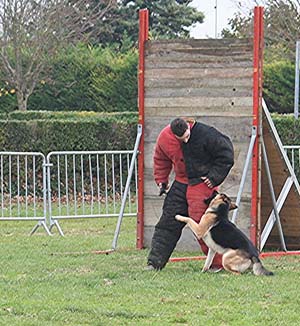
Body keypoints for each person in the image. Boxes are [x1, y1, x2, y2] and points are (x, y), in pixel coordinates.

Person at [146, 117, 234, 271]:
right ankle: (155, 263)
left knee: (207, 225)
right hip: (180, 183)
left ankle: (224, 263)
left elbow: (226, 154)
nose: (186, 141)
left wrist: (214, 177)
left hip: (202, 184)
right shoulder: (165, 138)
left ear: (189, 126)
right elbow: (161, 159)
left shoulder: (206, 133)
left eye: (187, 136)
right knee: (168, 222)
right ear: (173, 134)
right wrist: (162, 180)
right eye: (181, 139)